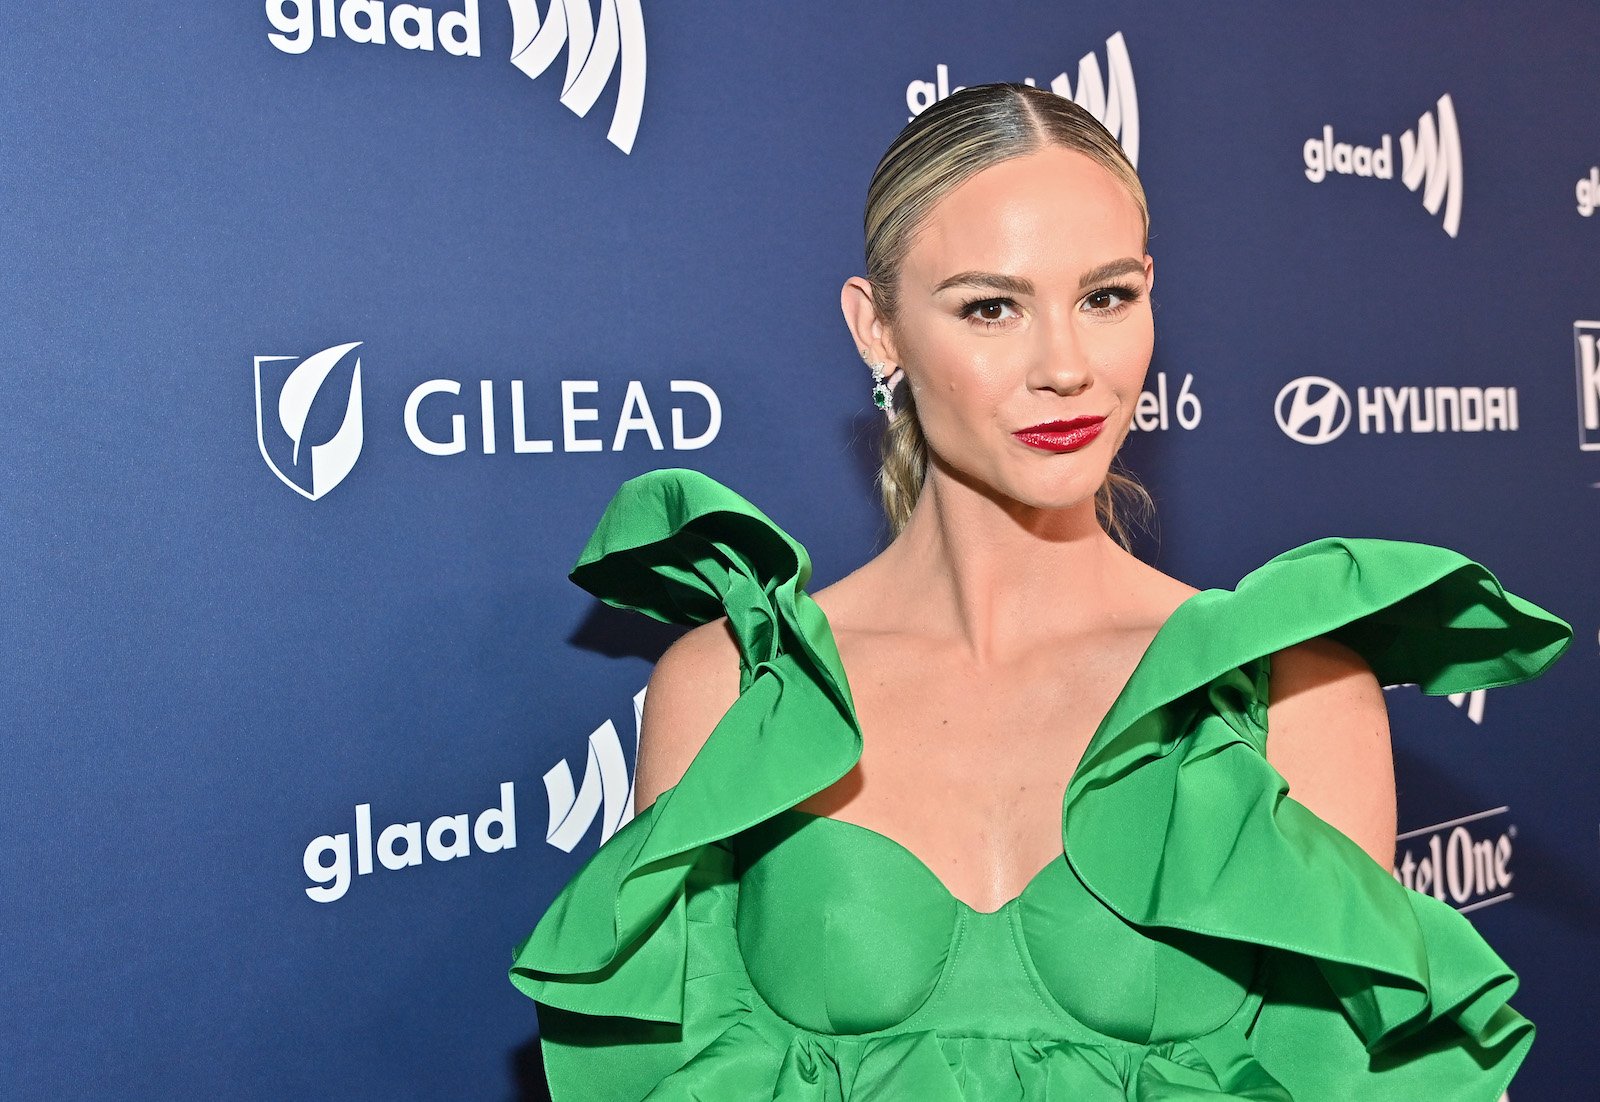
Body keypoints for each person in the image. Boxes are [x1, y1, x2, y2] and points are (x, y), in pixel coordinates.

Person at [510, 83, 1572, 1099]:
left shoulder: (1289, 695)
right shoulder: (733, 687)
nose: (1066, 364)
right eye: (990, 308)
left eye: (1106, 296)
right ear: (876, 328)